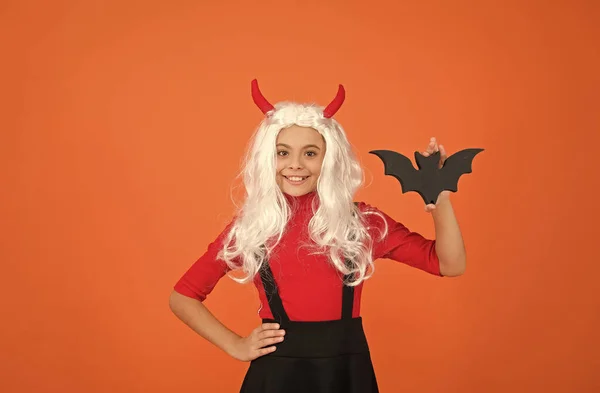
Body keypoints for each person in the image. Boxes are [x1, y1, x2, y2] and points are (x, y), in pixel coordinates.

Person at [169, 79, 467, 393]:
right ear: (267, 158)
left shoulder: (361, 222)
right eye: (283, 153)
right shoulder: (252, 227)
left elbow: (449, 263)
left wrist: (440, 199)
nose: (295, 165)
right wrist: (235, 344)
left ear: (330, 159)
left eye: (310, 153)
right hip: (276, 375)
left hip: (345, 375)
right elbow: (183, 296)